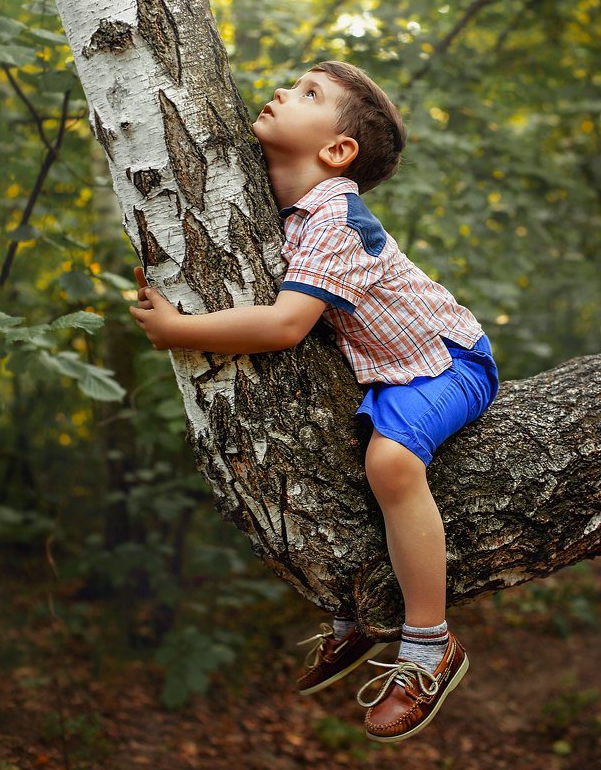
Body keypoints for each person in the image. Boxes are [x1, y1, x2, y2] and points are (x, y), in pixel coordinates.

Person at [129, 60, 499, 743]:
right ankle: (355, 613)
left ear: (337, 150)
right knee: (330, 465)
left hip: (445, 362)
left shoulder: (335, 219)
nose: (281, 90)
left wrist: (180, 330)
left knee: (390, 464)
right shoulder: (273, 206)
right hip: (383, 370)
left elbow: (283, 326)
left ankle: (429, 645)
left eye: (308, 93)